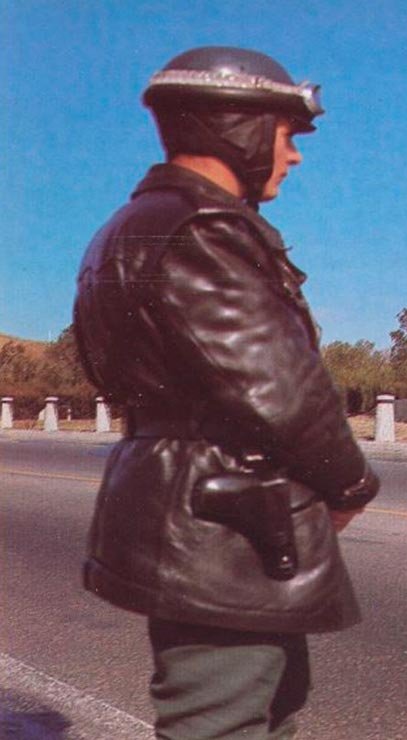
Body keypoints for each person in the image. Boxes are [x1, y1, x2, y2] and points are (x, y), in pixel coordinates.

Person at [72, 46, 379, 740]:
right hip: (224, 523)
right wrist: (350, 484)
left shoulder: (134, 225)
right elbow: (281, 388)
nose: (294, 156)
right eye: (286, 135)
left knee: (259, 706)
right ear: (236, 126)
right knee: (221, 719)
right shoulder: (203, 231)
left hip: (184, 501)